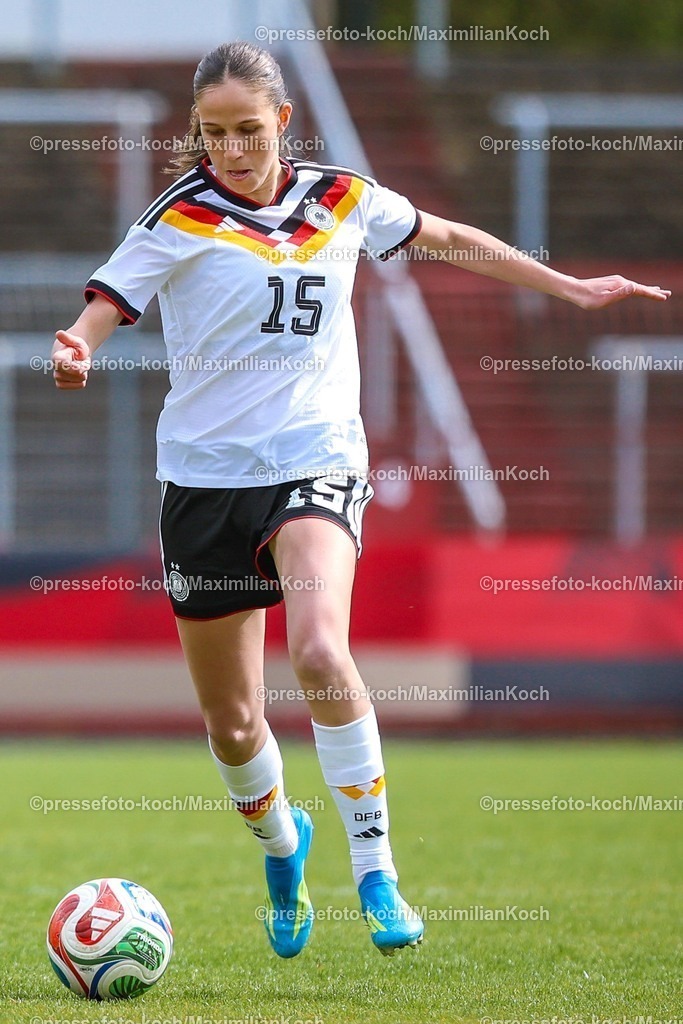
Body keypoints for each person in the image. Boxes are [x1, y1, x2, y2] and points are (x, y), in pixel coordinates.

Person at [51, 41, 670, 960]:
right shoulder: (176, 216)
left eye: (248, 131)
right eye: (213, 133)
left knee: (319, 647)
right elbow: (105, 303)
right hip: (204, 479)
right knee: (232, 722)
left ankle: (376, 872)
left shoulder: (342, 198)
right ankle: (282, 845)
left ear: (283, 123)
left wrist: (567, 285)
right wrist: (77, 344)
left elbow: (454, 239)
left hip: (316, 457)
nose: (230, 148)